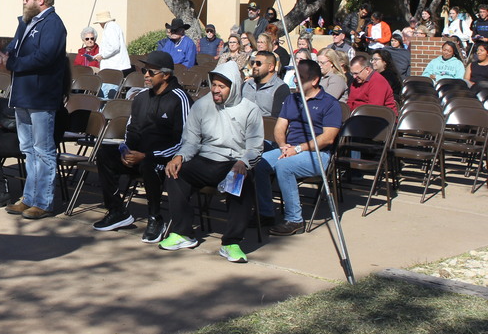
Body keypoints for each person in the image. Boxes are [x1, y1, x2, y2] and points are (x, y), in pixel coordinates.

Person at [159, 62, 264, 263]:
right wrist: (180, 156)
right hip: (205, 158)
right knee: (175, 173)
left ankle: (231, 243)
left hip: (234, 161)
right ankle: (183, 233)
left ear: (233, 87)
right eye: (214, 84)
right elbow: (191, 141)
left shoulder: (249, 109)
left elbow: (255, 147)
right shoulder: (201, 105)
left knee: (241, 182)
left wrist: (244, 162)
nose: (216, 90)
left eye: (222, 87)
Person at [91, 51, 191, 243]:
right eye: (145, 70)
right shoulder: (141, 97)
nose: (145, 75)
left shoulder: (180, 98)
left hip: (165, 159)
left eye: (151, 72)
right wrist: (126, 150)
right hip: (138, 155)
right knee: (104, 154)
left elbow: (185, 140)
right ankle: (117, 210)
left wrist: (147, 155)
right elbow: (132, 129)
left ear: (166, 75)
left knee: (148, 165)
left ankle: (155, 218)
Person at [0, 0, 68, 219]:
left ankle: (44, 202)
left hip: (41, 96)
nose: (24, 2)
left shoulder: (53, 25)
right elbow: (14, 47)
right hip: (22, 94)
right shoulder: (26, 23)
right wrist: (4, 57)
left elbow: (45, 56)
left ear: (40, 0)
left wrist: (12, 63)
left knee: (43, 150)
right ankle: (29, 198)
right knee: (28, 150)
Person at [254, 59, 342, 236]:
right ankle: (266, 213)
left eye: (300, 77)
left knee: (284, 166)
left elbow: (328, 138)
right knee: (258, 163)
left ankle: (294, 219)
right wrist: (282, 145)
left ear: (315, 80)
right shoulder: (291, 99)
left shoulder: (330, 103)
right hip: (289, 149)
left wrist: (298, 149)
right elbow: (280, 127)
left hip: (318, 154)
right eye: (295, 76)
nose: (295, 80)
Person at [243, 50, 290, 119]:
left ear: (270, 67)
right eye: (252, 63)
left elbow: (277, 119)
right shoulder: (246, 85)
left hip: (266, 127)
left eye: (258, 63)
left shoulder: (280, 88)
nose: (254, 66)